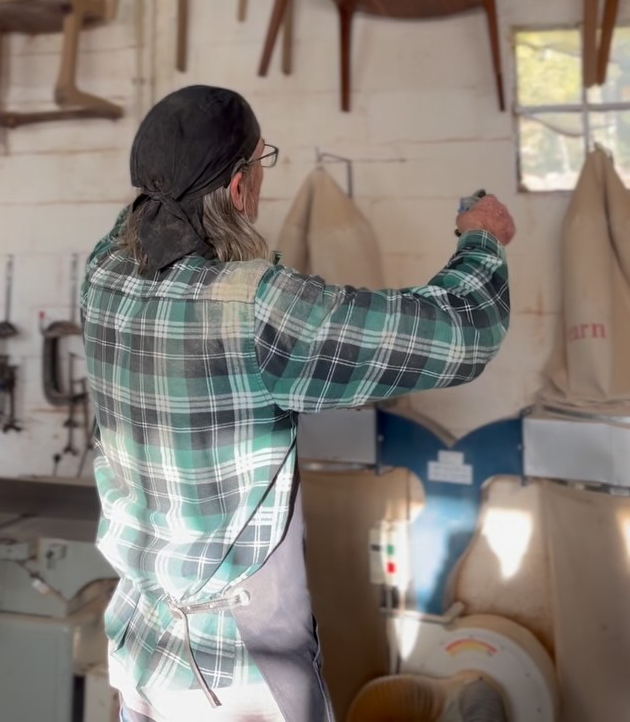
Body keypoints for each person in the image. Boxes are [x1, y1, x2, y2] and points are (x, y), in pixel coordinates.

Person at [81, 85, 514, 722]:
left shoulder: (104, 274)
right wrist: (481, 241)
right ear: (238, 189)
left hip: (142, 644)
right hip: (235, 668)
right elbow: (458, 332)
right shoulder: (256, 307)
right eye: (261, 162)